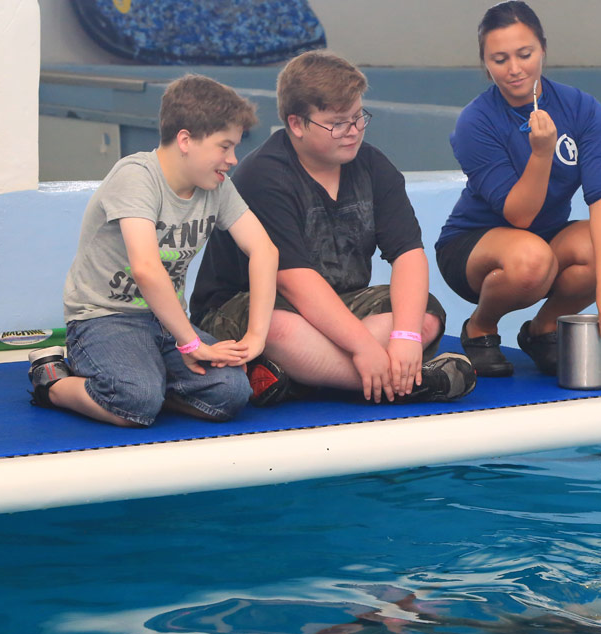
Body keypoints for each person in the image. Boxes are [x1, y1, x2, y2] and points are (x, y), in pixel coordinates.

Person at [190, 50, 475, 405]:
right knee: (278, 327)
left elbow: (408, 254)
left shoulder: (373, 165)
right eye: (338, 123)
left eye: (358, 118)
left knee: (425, 314)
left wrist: (404, 336)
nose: (353, 131)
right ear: (297, 124)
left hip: (337, 303)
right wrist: (362, 347)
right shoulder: (263, 176)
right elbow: (293, 282)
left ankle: (300, 377)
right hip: (245, 307)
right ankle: (404, 385)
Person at [27, 74, 279, 427]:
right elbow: (146, 268)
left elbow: (265, 251)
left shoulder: (217, 187)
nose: (233, 159)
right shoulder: (136, 176)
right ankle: (51, 380)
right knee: (136, 402)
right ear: (186, 140)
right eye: (224, 147)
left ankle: (150, 385)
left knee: (231, 394)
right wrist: (192, 345)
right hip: (104, 318)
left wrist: (256, 336)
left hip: (166, 323)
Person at [435, 1, 601, 377]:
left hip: (545, 239)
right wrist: (541, 153)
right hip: (475, 246)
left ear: (543, 48)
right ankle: (480, 328)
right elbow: (519, 215)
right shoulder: (475, 122)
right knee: (531, 258)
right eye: (499, 59)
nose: (514, 69)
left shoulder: (582, 109)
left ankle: (543, 329)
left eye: (524, 54)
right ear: (485, 62)